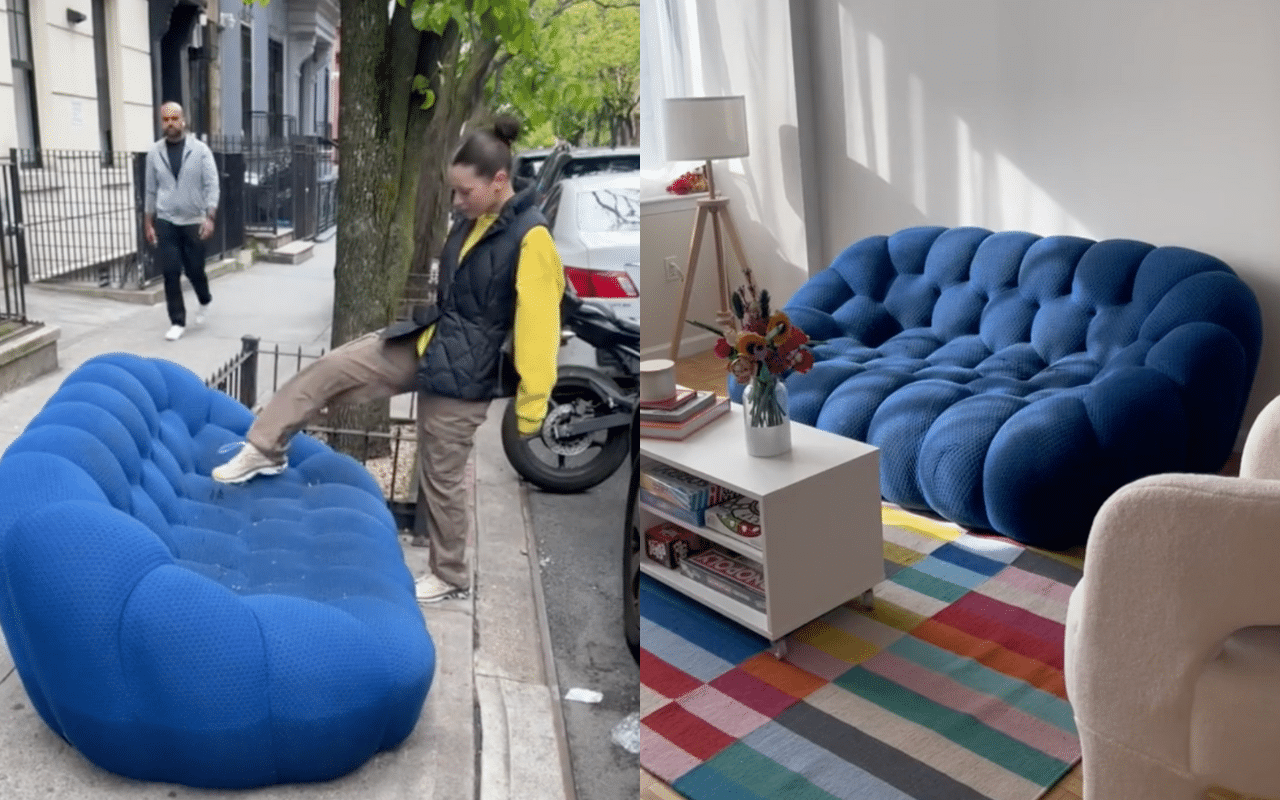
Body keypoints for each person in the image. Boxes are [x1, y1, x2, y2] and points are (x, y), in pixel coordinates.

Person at [212, 117, 565, 603]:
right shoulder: (474, 219)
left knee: (441, 480)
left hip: (467, 374)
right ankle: (265, 447)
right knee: (337, 366)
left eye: (465, 192)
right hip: (429, 341)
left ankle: (451, 576)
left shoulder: (533, 238)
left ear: (498, 182)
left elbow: (539, 330)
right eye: (454, 193)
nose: (456, 202)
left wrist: (531, 408)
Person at [143, 102, 220, 341]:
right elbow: (150, 190)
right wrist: (148, 222)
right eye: (165, 119)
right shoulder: (154, 153)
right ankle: (177, 320)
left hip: (194, 219)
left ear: (183, 120)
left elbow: (212, 185)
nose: (170, 123)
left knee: (195, 269)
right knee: (170, 271)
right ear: (161, 122)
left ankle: (204, 299)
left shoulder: (200, 150)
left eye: (174, 118)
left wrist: (209, 217)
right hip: (166, 220)